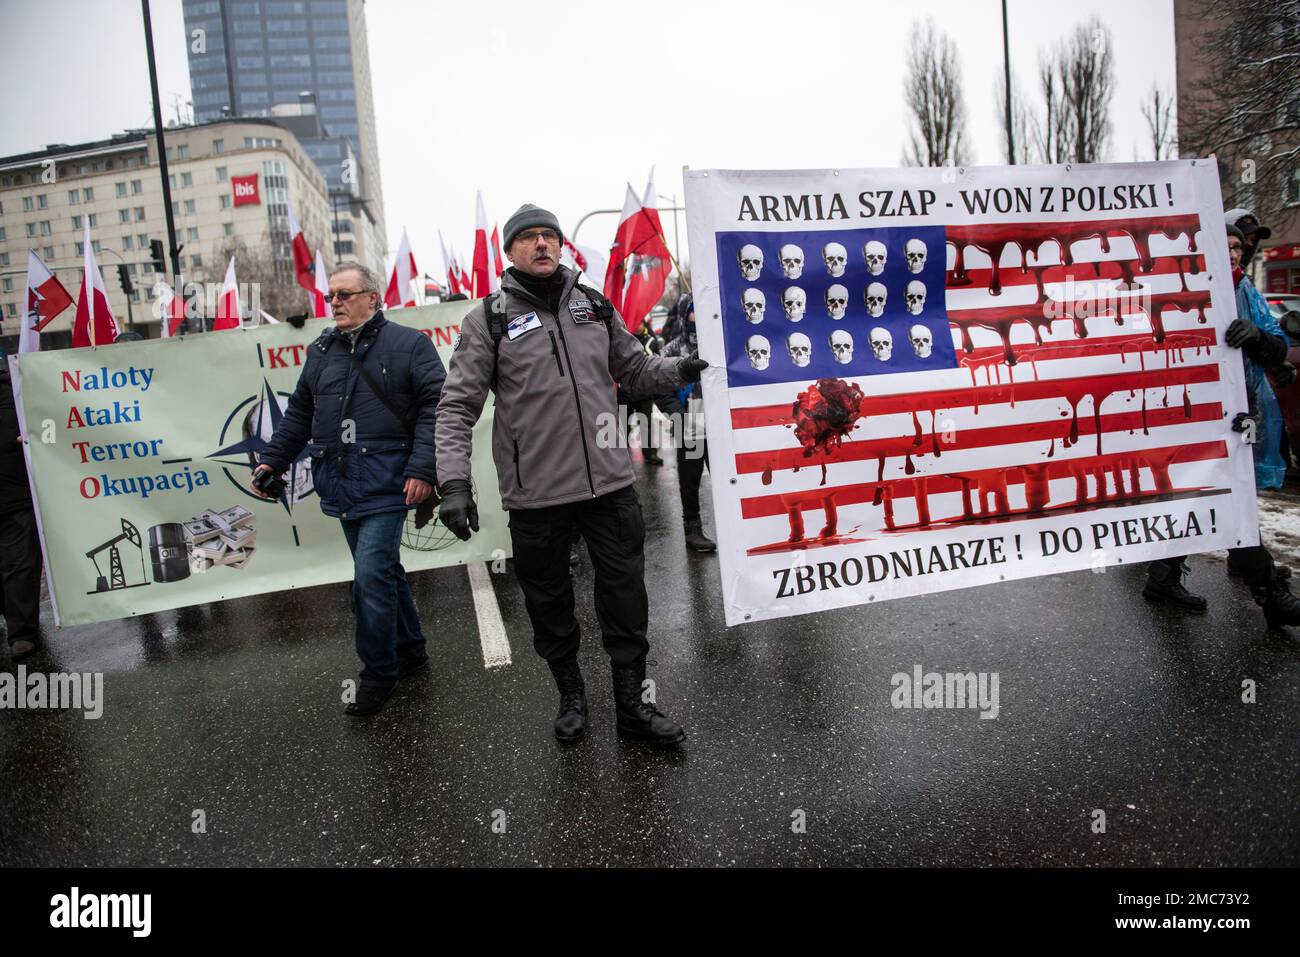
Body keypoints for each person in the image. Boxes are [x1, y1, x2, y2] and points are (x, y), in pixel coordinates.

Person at [435, 204, 707, 746]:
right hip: (536, 496)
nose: (542, 245)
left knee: (626, 600)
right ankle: (571, 697)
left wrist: (678, 368)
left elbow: (632, 370)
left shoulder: (594, 306)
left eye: (549, 236)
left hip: (609, 485)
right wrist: (453, 483)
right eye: (529, 238)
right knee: (550, 604)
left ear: (561, 247)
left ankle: (633, 706)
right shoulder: (487, 318)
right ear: (509, 252)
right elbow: (455, 406)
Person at [254, 263, 446, 715]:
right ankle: (411, 649)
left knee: (369, 576)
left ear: (373, 299)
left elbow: (436, 408)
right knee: (383, 571)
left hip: (390, 481)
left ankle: (379, 674)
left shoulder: (410, 344)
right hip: (339, 481)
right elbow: (300, 413)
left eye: (344, 294)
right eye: (331, 296)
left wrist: (423, 469)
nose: (334, 303)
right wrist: (271, 461)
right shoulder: (322, 349)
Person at [1144, 219, 1300, 628]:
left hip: (1240, 414)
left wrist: (1259, 339)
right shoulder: (1183, 286)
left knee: (1212, 495)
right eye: (1227, 245)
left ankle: (1162, 577)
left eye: (1239, 247)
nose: (1236, 253)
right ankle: (1271, 595)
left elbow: (1275, 343)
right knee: (1221, 497)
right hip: (1196, 412)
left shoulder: (1245, 288)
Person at [657, 294, 716, 553]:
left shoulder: (718, 347)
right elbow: (657, 384)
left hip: (719, 426)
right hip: (690, 423)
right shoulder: (671, 350)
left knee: (728, 478)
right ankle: (693, 529)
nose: (697, 316)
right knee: (690, 481)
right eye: (693, 311)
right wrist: (677, 414)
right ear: (684, 314)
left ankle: (735, 527)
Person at [0, 352, 42, 660]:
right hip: (15, 494)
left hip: (15, 497)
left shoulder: (17, 391)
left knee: (20, 564)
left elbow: (47, 428)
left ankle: (21, 633)